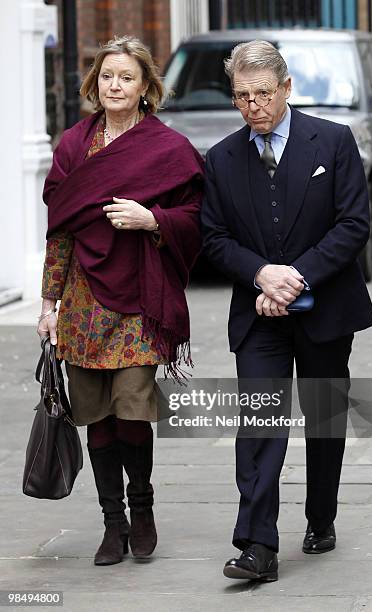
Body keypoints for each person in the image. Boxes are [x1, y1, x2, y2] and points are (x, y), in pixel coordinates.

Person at [201, 40, 372, 582]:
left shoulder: (334, 140)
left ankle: (321, 516)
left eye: (262, 94)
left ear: (286, 89)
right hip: (258, 315)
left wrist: (291, 278)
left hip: (325, 308)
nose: (252, 106)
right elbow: (214, 237)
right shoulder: (222, 158)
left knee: (324, 420)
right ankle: (257, 544)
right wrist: (260, 274)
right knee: (259, 422)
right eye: (242, 96)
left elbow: (353, 224)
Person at [37, 35, 204, 566]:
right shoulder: (72, 146)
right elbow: (59, 232)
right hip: (84, 298)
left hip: (139, 296)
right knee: (96, 416)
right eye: (107, 76)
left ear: (146, 88)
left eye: (126, 77)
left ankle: (143, 509)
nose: (115, 85)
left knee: (133, 410)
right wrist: (48, 303)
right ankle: (113, 523)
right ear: (95, 84)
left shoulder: (168, 148)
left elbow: (198, 219)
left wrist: (152, 219)